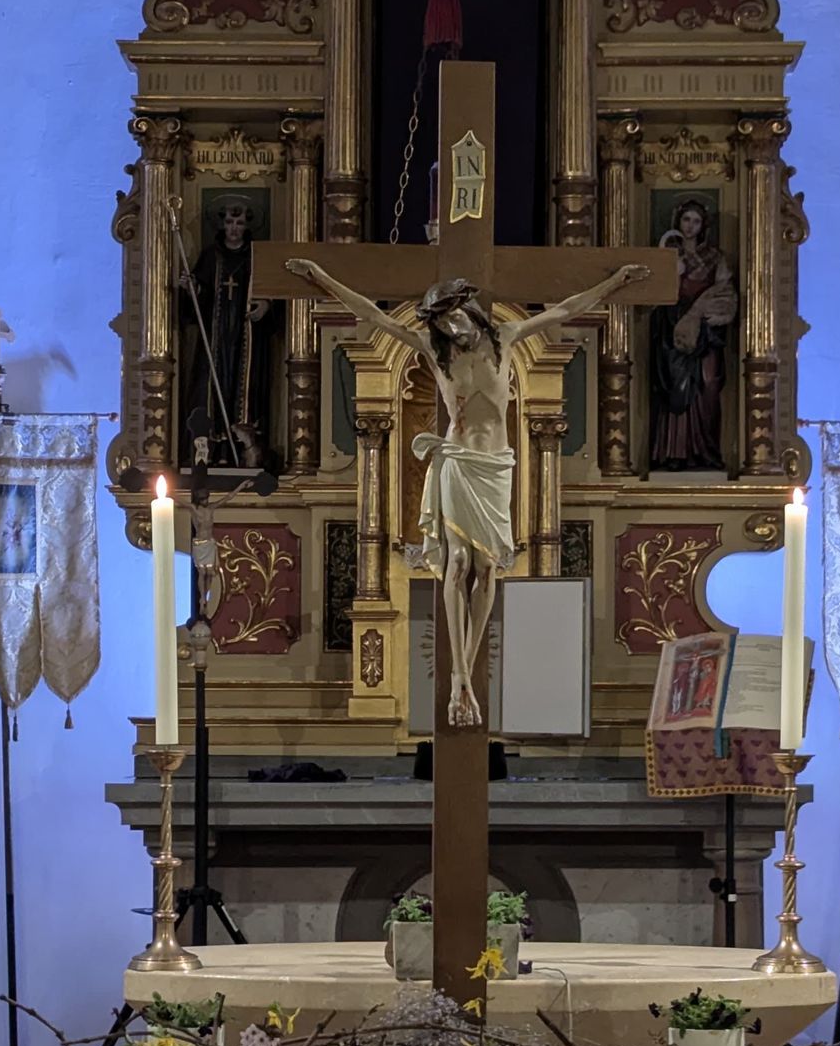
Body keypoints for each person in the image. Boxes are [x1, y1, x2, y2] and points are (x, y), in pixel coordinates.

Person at [286, 256, 650, 727]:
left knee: (488, 567)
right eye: (439, 321)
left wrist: (616, 283)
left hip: (495, 468)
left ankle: (467, 669)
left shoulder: (506, 339)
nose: (449, 327)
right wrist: (321, 276)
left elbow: (564, 311)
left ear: (468, 308)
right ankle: (459, 675)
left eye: (452, 316)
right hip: (456, 462)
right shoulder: (431, 350)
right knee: (458, 563)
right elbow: (371, 315)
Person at [179, 199, 274, 468]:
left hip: (247, 338)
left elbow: (273, 292)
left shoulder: (256, 257)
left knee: (243, 391)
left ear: (247, 226)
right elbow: (200, 299)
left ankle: (243, 450)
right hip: (216, 338)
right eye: (230, 222)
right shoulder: (212, 256)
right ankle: (211, 449)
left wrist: (266, 306)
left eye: (240, 223)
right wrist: (193, 289)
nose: (234, 228)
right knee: (211, 386)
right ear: (222, 224)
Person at [648, 198, 738, 471]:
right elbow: (653, 294)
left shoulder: (715, 258)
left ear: (703, 226)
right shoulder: (667, 255)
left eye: (696, 221)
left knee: (708, 385)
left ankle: (705, 451)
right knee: (674, 390)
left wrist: (706, 313)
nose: (690, 226)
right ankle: (673, 452)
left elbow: (725, 293)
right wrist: (673, 275)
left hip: (706, 333)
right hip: (671, 331)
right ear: (678, 222)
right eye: (686, 220)